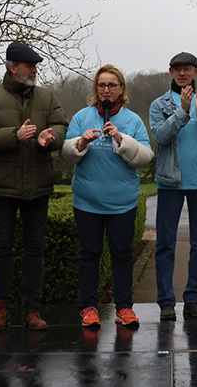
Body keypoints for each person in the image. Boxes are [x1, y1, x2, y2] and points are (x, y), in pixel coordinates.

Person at [0, 41, 68, 332]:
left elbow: (62, 126)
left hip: (37, 184)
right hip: (3, 187)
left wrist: (49, 139)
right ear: (13, 68)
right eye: (30, 66)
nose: (35, 70)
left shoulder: (47, 97)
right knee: (1, 248)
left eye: (36, 66)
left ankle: (32, 310)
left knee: (35, 248)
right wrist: (16, 135)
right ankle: (2, 309)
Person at [61, 65, 153, 329]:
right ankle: (89, 308)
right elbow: (66, 153)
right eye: (102, 85)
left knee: (122, 255)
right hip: (87, 202)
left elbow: (146, 157)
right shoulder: (82, 117)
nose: (106, 90)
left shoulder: (133, 120)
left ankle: (124, 308)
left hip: (122, 203)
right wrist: (81, 142)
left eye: (112, 85)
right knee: (89, 254)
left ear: (121, 88)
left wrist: (122, 139)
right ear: (96, 89)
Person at [149, 52, 197, 322]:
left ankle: (193, 299)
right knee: (165, 244)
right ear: (170, 71)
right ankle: (166, 302)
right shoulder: (159, 104)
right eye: (178, 69)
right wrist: (182, 111)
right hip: (170, 183)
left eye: (188, 69)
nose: (183, 73)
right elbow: (160, 136)